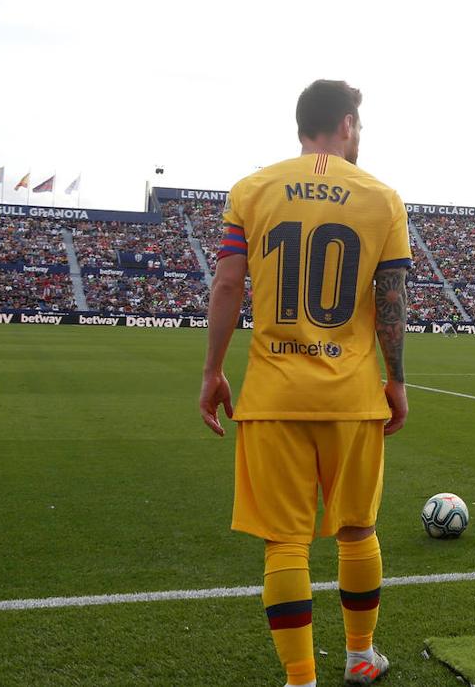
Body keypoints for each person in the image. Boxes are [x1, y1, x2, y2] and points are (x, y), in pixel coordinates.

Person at [199, 80, 411, 687]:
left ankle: (299, 678)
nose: (360, 136)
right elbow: (390, 296)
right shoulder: (382, 198)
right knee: (357, 530)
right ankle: (360, 658)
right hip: (350, 394)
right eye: (360, 127)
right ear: (345, 125)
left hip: (272, 394)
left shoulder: (252, 189)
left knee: (284, 545)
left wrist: (214, 372)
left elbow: (227, 286)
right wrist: (395, 380)